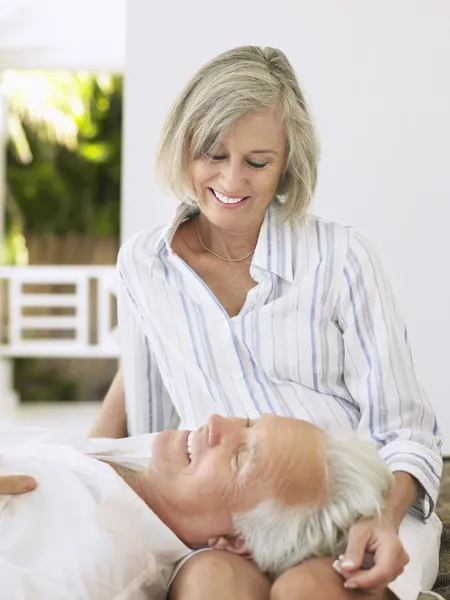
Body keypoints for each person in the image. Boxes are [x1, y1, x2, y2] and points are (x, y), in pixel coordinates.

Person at [5, 45, 443, 599]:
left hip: (356, 504)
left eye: (257, 162)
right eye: (212, 153)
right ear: (183, 146)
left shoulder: (341, 257)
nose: (232, 180)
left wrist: (382, 517)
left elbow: (406, 430)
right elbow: (146, 413)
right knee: (214, 581)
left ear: (287, 164)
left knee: (309, 588)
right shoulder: (145, 263)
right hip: (226, 515)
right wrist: (72, 478)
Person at [0, 415, 393, 599]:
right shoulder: (150, 473)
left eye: (241, 458)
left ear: (236, 541)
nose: (217, 422)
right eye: (249, 422)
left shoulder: (90, 569)